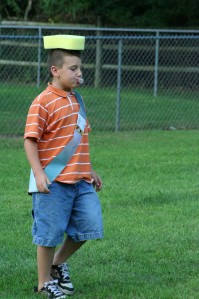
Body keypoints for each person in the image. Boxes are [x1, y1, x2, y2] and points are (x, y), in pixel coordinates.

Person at [24, 35, 104, 299]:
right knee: (48, 234)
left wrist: (89, 169)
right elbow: (30, 140)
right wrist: (38, 174)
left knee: (89, 226)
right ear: (55, 71)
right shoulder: (42, 101)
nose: (80, 73)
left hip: (80, 180)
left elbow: (80, 140)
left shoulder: (77, 100)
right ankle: (43, 282)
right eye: (73, 69)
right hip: (53, 182)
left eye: (80, 68)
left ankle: (57, 263)